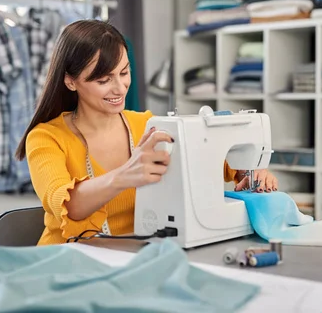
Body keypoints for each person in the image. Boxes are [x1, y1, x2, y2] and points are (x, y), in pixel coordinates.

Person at [15, 20, 279, 246]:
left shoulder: (150, 125)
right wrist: (126, 174)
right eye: (103, 80)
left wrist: (250, 174)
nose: (119, 88)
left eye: (124, 72)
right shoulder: (46, 138)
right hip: (67, 264)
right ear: (70, 81)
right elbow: (65, 204)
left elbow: (215, 162)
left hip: (138, 259)